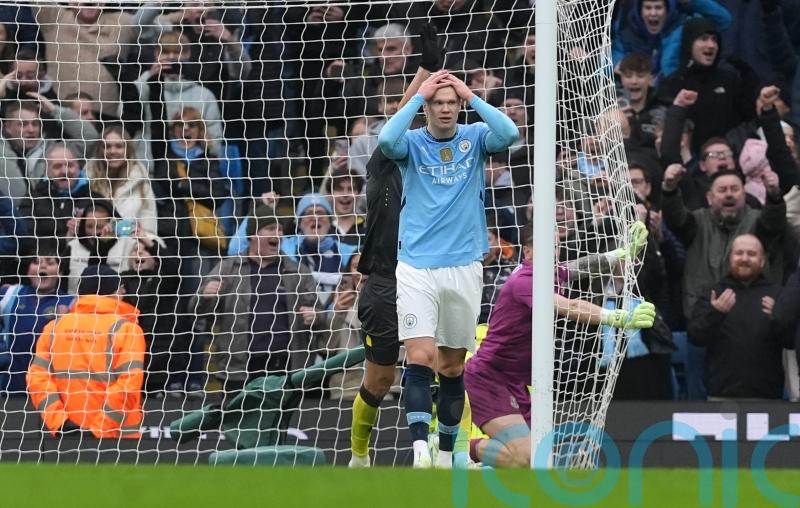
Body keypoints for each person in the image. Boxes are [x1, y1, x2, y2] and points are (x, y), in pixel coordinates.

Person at [377, 69, 519, 468]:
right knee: (420, 356)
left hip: (463, 266)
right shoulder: (412, 144)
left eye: (450, 103)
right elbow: (386, 140)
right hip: (416, 267)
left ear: (458, 107)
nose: (444, 109)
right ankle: (420, 449)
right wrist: (417, 95)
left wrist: (471, 96)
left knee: (453, 364)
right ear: (427, 109)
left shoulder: (475, 139)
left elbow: (508, 135)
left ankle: (444, 453)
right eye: (437, 103)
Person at [464, 224, 656, 467]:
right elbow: (572, 307)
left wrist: (620, 254)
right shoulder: (524, 281)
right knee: (527, 459)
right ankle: (461, 450)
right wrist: (619, 317)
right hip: (489, 378)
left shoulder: (551, 273)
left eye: (555, 246)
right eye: (546, 246)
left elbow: (580, 267)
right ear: (528, 252)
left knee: (543, 463)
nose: (553, 252)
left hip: (516, 382)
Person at [348, 27, 442, 468]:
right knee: (381, 378)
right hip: (384, 281)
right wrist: (425, 69)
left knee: (438, 366)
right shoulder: (384, 161)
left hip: (426, 276)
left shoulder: (435, 163)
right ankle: (359, 455)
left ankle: (436, 452)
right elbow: (399, 118)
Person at [190, 204, 325, 391]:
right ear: (253, 234)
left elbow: (320, 314)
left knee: (281, 420)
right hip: (239, 369)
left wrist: (315, 316)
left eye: (279, 229)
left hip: (285, 368)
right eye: (270, 228)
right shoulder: (229, 268)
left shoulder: (297, 271)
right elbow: (195, 311)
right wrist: (206, 296)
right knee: (238, 420)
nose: (277, 234)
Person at [27, 264, 145, 438]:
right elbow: (129, 384)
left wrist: (60, 422)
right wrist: (99, 429)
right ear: (117, 291)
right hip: (118, 439)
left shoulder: (53, 328)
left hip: (64, 438)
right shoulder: (127, 330)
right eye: (121, 288)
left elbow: (37, 379)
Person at [689, 234, 790, 399]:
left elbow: (791, 342)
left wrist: (779, 317)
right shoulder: (714, 292)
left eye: (751, 254)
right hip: (721, 396)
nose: (744, 258)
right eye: (739, 253)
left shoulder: (777, 294)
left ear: (762, 261)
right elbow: (695, 336)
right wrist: (715, 313)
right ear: (730, 259)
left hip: (768, 399)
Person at [0, 242, 73, 395]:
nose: (42, 267)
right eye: (36, 262)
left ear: (60, 272)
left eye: (50, 262)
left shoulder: (71, 303)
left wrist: (68, 321)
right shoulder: (11, 294)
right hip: (11, 386)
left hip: (50, 390)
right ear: (28, 271)